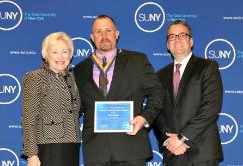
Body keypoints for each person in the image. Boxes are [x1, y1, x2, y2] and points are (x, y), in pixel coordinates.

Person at [73, 15, 164, 166]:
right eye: (98, 31)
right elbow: (77, 106)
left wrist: (144, 118)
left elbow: (157, 93)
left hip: (131, 147)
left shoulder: (138, 60)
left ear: (117, 33)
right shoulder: (79, 70)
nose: (104, 36)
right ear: (92, 37)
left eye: (108, 30)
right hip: (96, 152)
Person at [154, 20, 223, 166]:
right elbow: (156, 112)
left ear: (191, 41)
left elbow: (211, 107)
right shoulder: (159, 75)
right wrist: (167, 141)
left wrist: (181, 137)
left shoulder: (207, 67)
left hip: (202, 152)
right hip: (173, 153)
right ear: (167, 45)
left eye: (182, 35)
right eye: (172, 36)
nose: (177, 39)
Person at [22, 32, 81, 166]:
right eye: (55, 52)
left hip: (72, 145)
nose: (60, 56)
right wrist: (32, 154)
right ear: (46, 55)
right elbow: (29, 118)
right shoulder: (35, 77)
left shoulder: (73, 78)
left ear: (70, 54)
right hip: (48, 147)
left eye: (64, 51)